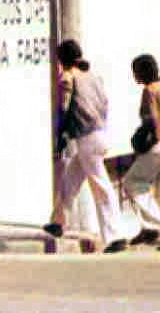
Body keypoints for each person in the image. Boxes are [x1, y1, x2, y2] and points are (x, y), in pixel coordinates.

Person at [45, 38, 126, 253]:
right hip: (100, 133)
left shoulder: (67, 78)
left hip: (86, 137)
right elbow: (105, 104)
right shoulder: (94, 77)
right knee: (70, 180)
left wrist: (60, 135)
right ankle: (58, 222)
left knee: (101, 187)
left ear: (62, 60)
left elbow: (63, 109)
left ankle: (115, 235)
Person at [121, 53, 160, 251]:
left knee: (131, 182)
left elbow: (151, 121)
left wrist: (140, 142)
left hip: (158, 144)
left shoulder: (149, 91)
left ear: (143, 72)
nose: (134, 75)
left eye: (136, 71)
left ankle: (153, 226)